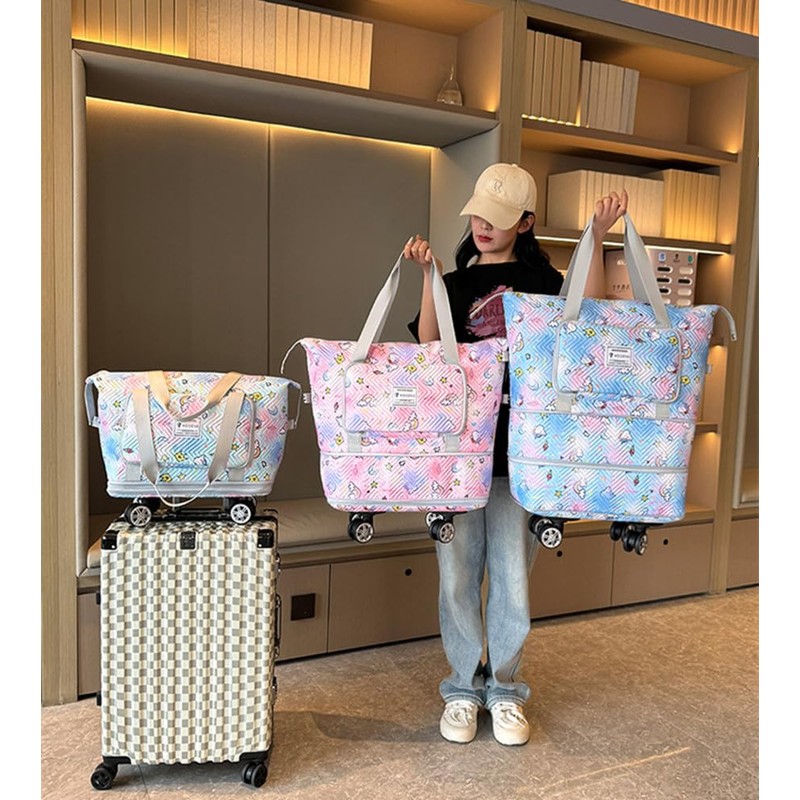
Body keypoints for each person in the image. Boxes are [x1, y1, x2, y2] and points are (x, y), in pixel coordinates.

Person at [406, 162, 627, 746]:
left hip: (523, 456)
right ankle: (461, 687)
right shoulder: (455, 284)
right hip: (457, 454)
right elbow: (429, 347)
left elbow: (586, 321)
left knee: (511, 579)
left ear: (526, 222)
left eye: (498, 217)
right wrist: (428, 276)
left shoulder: (543, 282)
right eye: (478, 214)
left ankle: (504, 689)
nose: (483, 225)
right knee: (456, 578)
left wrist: (596, 237)